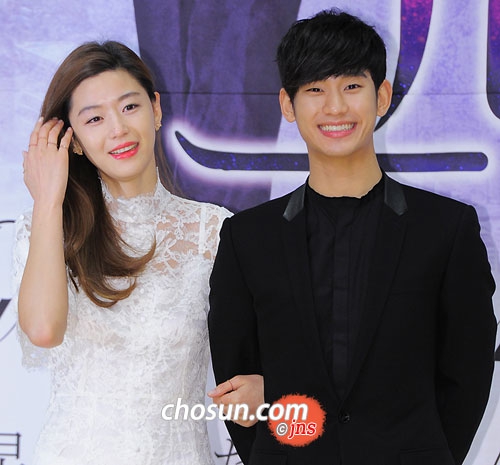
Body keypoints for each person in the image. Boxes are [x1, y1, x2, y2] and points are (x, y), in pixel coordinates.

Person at [208, 9, 497, 465]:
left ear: (382, 96)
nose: (335, 107)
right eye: (315, 89)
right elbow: (238, 383)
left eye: (351, 86)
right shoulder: (247, 239)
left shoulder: (446, 229)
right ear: (288, 105)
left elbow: (468, 371)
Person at [11, 40, 260, 465]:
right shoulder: (46, 227)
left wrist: (264, 386)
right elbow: (44, 330)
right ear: (72, 140)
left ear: (156, 109)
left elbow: (261, 352)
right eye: (94, 118)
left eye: (129, 107)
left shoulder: (213, 231)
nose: (118, 130)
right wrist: (48, 201)